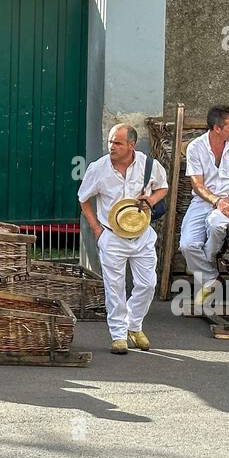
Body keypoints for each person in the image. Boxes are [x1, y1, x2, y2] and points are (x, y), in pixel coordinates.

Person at [78, 123, 169, 354]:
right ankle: (118, 335)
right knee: (115, 287)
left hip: (142, 235)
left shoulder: (149, 165)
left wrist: (150, 200)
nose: (112, 147)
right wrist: (97, 230)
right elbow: (83, 198)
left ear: (131, 144)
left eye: (117, 143)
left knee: (148, 284)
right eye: (110, 141)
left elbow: (163, 188)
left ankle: (134, 325)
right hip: (111, 236)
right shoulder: (98, 168)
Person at [178, 105, 229, 306]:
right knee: (187, 245)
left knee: (216, 224)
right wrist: (215, 200)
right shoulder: (195, 147)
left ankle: (205, 265)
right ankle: (210, 279)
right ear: (217, 128)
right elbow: (197, 184)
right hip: (203, 201)